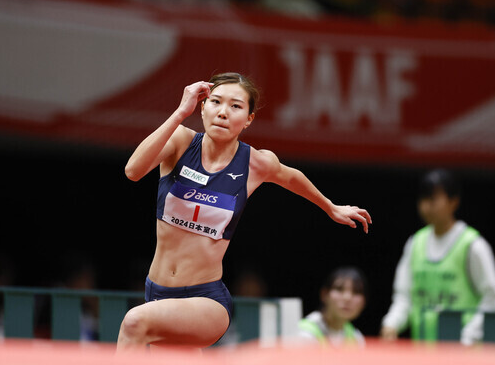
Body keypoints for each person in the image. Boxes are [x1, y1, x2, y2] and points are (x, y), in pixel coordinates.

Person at [117, 72, 371, 350]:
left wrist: (330, 207)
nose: (223, 112)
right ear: (202, 107)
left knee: (133, 322)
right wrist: (180, 112)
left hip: (206, 299)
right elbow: (133, 171)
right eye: (215, 102)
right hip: (157, 291)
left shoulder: (255, 163)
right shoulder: (180, 141)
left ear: (249, 118)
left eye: (236, 106)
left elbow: (291, 177)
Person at [380, 169, 495, 345]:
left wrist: (468, 338)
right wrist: (391, 324)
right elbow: (403, 297)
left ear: (454, 202)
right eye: (422, 199)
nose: (425, 206)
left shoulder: (473, 245)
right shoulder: (415, 243)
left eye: (432, 199)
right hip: (422, 350)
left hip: (463, 353)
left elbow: (492, 299)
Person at [297, 266, 367, 347]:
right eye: (339, 289)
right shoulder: (304, 334)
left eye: (356, 292)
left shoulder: (356, 337)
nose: (347, 297)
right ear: (324, 294)